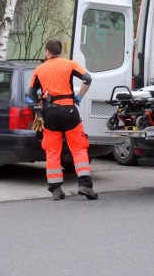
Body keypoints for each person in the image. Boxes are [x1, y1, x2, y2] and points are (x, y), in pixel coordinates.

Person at [29, 39, 98, 201]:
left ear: (47, 52)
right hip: (69, 111)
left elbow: (32, 93)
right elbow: (87, 79)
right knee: (79, 148)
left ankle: (56, 189)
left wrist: (41, 105)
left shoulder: (39, 69)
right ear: (60, 51)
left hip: (50, 113)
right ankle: (85, 185)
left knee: (53, 151)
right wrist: (79, 96)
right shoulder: (70, 64)